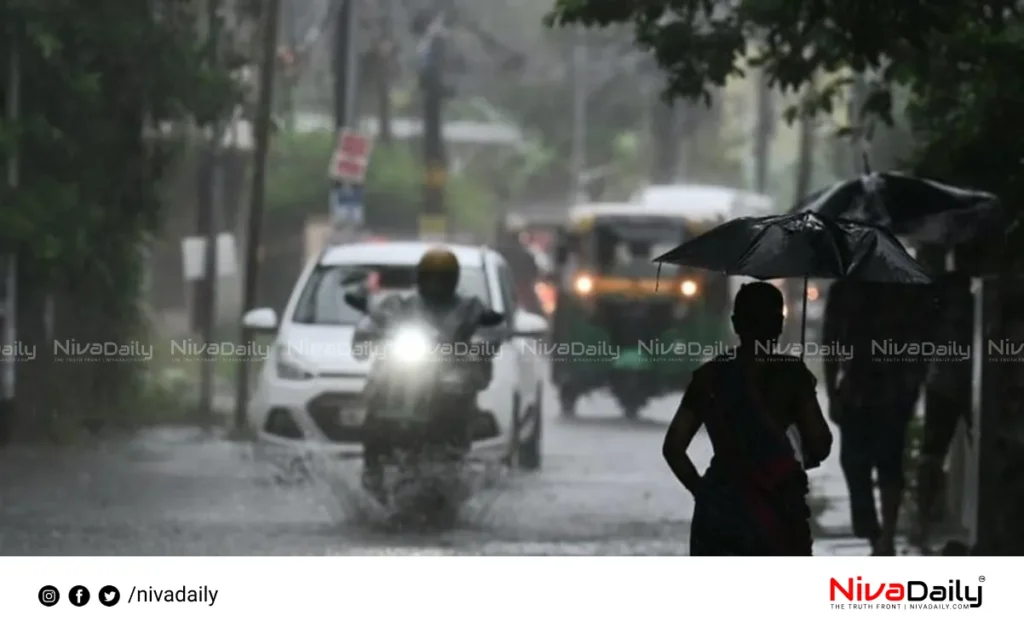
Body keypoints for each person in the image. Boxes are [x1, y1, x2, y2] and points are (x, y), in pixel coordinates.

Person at [662, 282, 833, 555]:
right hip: (779, 509)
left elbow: (673, 447)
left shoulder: (709, 377)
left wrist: (703, 494)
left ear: (735, 323)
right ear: (779, 324)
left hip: (720, 513)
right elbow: (820, 444)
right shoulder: (792, 376)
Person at [354, 247, 493, 498]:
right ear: (420, 278)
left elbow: (492, 328)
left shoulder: (469, 307)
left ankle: (452, 460)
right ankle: (373, 463)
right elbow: (373, 320)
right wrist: (366, 333)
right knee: (376, 385)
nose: (436, 283)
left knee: (458, 400)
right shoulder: (400, 304)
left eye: (442, 277)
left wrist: (484, 342)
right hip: (406, 370)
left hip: (450, 376)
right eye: (430, 276)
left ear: (453, 280)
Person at [823, 280, 934, 555]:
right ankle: (874, 531)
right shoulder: (845, 289)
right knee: (854, 465)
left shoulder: (906, 289)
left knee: (889, 465)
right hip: (857, 391)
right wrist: (832, 391)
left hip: (893, 391)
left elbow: (921, 340)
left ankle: (886, 536)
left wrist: (914, 385)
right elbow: (831, 342)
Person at [915, 270, 972, 547]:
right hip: (965, 380)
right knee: (932, 455)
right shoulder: (968, 292)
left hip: (943, 380)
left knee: (931, 455)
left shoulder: (940, 293)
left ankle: (923, 522)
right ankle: (924, 520)